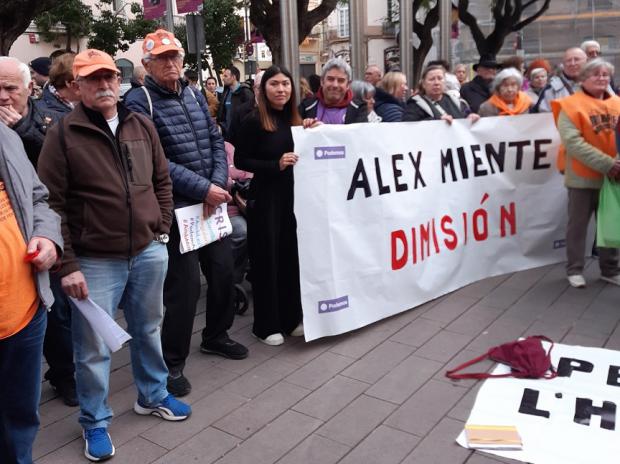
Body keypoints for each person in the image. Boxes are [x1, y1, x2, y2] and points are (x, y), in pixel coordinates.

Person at [38, 48, 191, 462]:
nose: (104, 84)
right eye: (93, 79)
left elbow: (162, 179)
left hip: (147, 251)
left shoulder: (140, 124)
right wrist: (67, 265)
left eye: (109, 77)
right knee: (92, 348)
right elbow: (52, 205)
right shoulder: (63, 134)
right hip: (94, 260)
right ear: (78, 87)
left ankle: (152, 394)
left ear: (119, 81)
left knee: (148, 329)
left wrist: (159, 225)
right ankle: (95, 421)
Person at [124, 29, 248, 398]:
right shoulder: (138, 100)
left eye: (175, 56)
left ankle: (216, 336)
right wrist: (204, 189)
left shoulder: (193, 93)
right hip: (176, 208)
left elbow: (214, 139)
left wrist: (216, 183)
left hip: (208, 204)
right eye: (162, 58)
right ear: (146, 65)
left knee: (224, 271)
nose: (171, 63)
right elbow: (153, 160)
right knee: (184, 288)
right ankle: (172, 362)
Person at [0, 122, 62, 464]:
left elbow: (38, 198)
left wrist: (48, 236)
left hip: (24, 312)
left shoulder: (4, 135)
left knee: (19, 419)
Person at [234, 65, 306, 345]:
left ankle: (290, 319)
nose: (281, 89)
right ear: (264, 89)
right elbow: (241, 161)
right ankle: (265, 325)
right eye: (274, 84)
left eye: (286, 84)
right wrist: (273, 165)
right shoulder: (253, 121)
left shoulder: (296, 121)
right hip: (265, 200)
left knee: (290, 259)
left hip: (292, 200)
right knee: (267, 261)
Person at [550, 58, 620, 288]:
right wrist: (608, 164)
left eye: (605, 74)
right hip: (582, 177)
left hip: (613, 177)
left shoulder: (618, 104)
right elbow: (573, 143)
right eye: (596, 74)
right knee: (578, 225)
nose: (601, 78)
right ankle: (575, 269)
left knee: (610, 223)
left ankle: (610, 269)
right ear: (583, 78)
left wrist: (616, 163)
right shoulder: (570, 105)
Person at [0, 57, 61, 167]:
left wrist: (22, 128)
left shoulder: (58, 122)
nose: (3, 97)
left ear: (29, 88)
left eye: (10, 88)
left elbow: (59, 163)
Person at [403, 64, 479, 124]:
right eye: (432, 79)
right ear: (423, 84)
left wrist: (471, 116)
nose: (436, 83)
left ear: (445, 82)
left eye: (440, 78)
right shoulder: (415, 104)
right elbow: (408, 128)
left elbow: (466, 114)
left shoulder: (456, 101)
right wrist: (435, 122)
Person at [299, 58, 361, 125]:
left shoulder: (360, 109)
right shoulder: (305, 107)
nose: (335, 85)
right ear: (322, 81)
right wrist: (304, 125)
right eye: (330, 79)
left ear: (348, 85)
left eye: (341, 80)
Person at [535, 47, 587, 113]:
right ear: (563, 64)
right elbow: (544, 117)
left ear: (586, 61)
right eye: (568, 60)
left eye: (577, 59)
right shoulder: (551, 89)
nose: (572, 63)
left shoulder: (597, 84)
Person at [217, 65, 254, 140]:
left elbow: (251, 115)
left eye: (225, 76)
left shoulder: (245, 92)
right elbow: (223, 113)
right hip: (226, 136)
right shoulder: (226, 92)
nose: (223, 78)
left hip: (241, 137)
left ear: (233, 77)